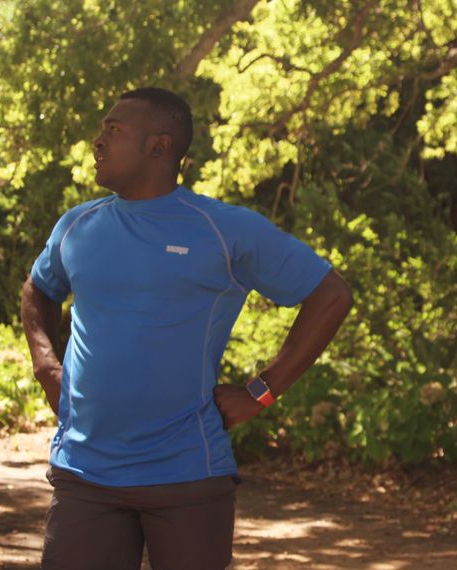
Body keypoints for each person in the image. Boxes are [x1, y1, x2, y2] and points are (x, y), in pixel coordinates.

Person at [20, 87, 353, 569]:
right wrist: (46, 363)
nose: (97, 142)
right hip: (84, 474)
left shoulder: (223, 229)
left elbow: (331, 294)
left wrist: (262, 390)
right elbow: (38, 289)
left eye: (113, 131)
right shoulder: (77, 225)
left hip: (186, 477)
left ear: (159, 145)